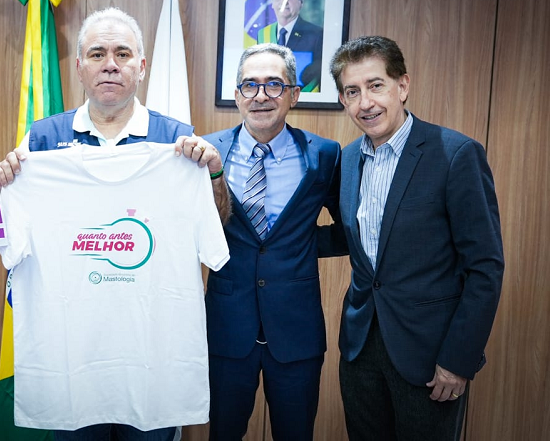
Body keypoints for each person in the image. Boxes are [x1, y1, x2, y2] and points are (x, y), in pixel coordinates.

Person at [0, 7, 228, 441]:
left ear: (142, 66)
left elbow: (213, 235)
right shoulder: (41, 142)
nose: (110, 64)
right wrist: (0, 188)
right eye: (97, 54)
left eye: (122, 54)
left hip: (152, 369)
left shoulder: (178, 142)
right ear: (79, 67)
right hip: (71, 368)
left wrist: (211, 173)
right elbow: (4, 243)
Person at [324, 35, 504, 440]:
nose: (365, 102)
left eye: (376, 85)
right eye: (352, 91)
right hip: (359, 350)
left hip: (431, 357)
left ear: (402, 86)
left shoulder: (455, 154)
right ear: (342, 100)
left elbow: (485, 268)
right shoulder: (347, 159)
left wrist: (459, 359)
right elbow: (355, 240)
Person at [202, 43, 341, 441]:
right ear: (237, 95)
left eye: (274, 85)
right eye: (250, 85)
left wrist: (301, 246)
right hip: (227, 329)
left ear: (294, 94)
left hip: (297, 332)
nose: (261, 95)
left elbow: (348, 229)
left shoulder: (324, 155)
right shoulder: (206, 152)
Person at [256, 0, 323, 91]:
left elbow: (316, 77)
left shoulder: (316, 34)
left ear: (301, 3)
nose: (284, 2)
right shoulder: (263, 34)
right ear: (272, 3)